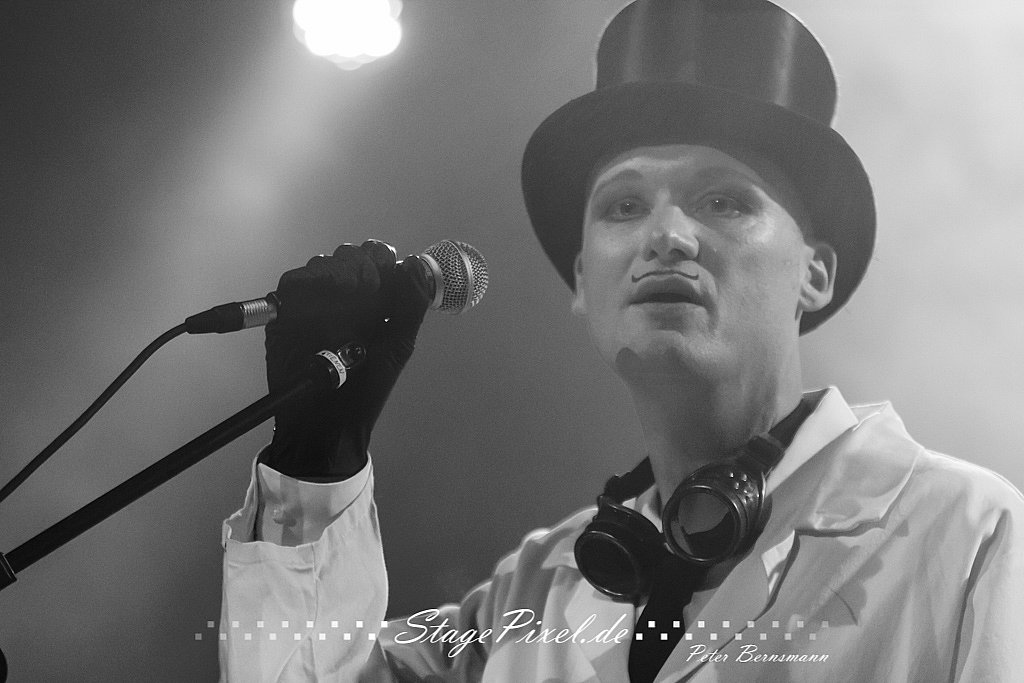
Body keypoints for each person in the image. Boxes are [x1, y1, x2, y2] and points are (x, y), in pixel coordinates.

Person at [219, 0, 1024, 681]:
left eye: (725, 200)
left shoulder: (967, 534)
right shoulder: (528, 594)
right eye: (623, 206)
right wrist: (315, 470)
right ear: (582, 278)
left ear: (815, 273)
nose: (667, 235)